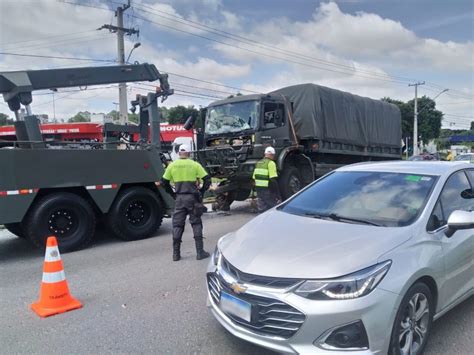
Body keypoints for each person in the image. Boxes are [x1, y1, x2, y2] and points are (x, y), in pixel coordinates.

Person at [161, 144, 211, 261]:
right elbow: (207, 179)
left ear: (179, 153)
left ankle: (176, 254)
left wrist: (172, 194)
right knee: (196, 223)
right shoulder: (194, 165)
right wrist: (202, 191)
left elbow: (164, 182)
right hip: (193, 198)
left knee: (177, 225)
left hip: (179, 199)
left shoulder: (172, 166)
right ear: (189, 153)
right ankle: (200, 252)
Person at [253, 146, 281, 213]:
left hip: (258, 189)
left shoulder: (258, 163)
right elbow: (272, 179)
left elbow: (254, 177)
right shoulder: (271, 163)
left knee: (261, 208)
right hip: (267, 189)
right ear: (272, 154)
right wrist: (277, 193)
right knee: (273, 207)